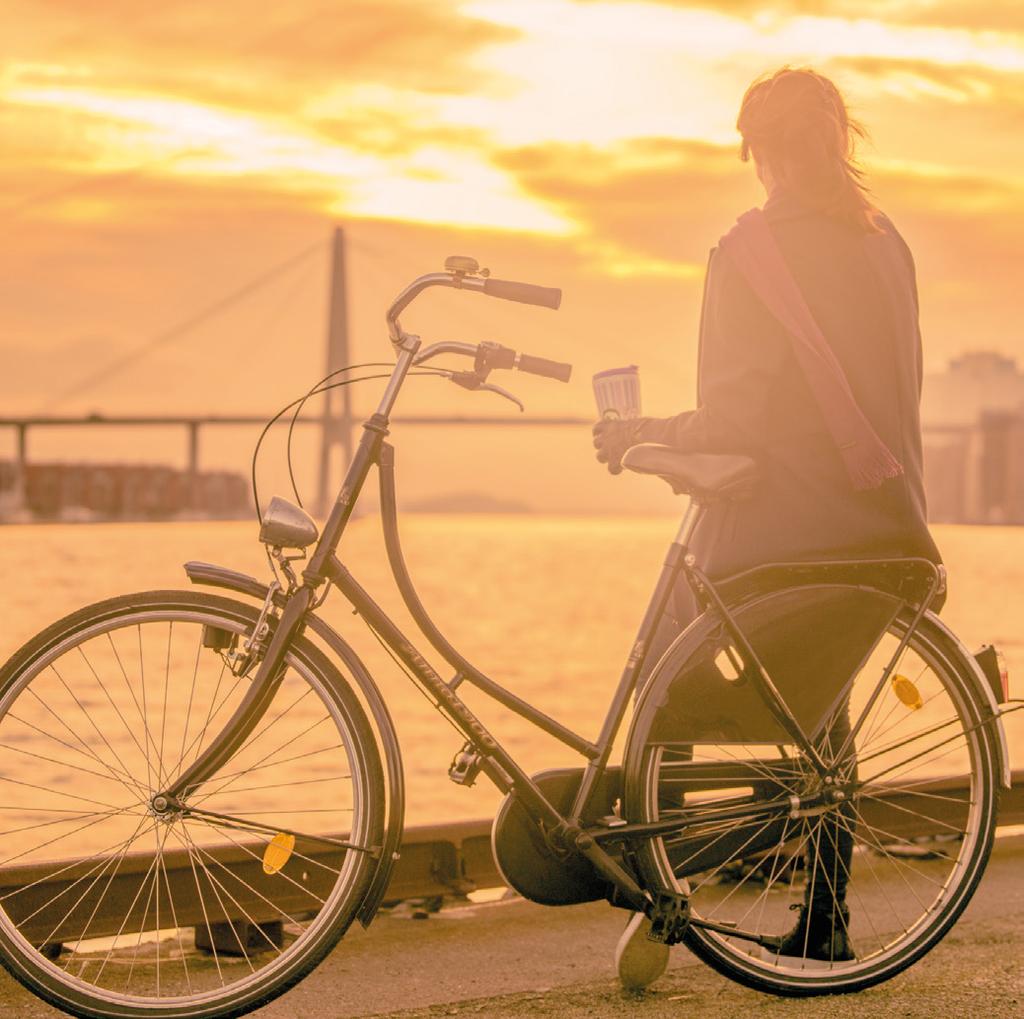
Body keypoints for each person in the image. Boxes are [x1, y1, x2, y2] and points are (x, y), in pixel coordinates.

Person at [595, 66, 943, 987]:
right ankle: (824, 917)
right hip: (888, 535)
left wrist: (640, 433)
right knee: (819, 700)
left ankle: (651, 887)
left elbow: (736, 423)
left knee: (659, 676)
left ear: (759, 151)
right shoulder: (887, 243)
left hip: (783, 540)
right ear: (839, 142)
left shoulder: (748, 252)